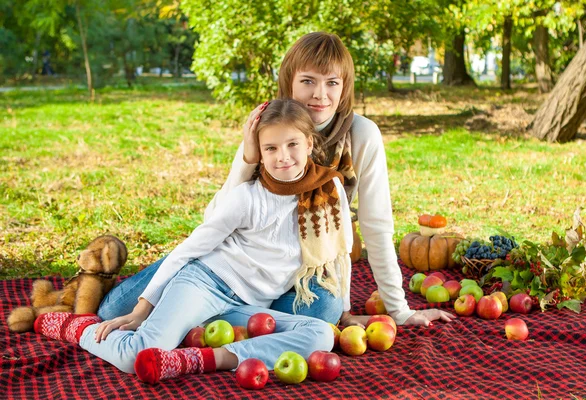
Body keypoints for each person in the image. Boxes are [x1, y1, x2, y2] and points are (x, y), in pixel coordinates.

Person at [97, 31, 454, 328]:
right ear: (289, 83)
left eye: (332, 82)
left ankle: (206, 318)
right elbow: (215, 220)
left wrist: (398, 309)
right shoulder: (269, 127)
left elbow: (377, 226)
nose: (320, 94)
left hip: (304, 269)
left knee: (324, 312)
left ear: (344, 87)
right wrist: (248, 159)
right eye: (308, 81)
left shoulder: (362, 134)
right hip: (236, 262)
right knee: (112, 311)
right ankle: (222, 314)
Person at [33, 99, 359, 384]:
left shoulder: (328, 190)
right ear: (258, 152)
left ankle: (200, 360)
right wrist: (141, 310)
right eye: (270, 148)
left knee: (318, 334)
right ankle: (77, 329)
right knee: (139, 356)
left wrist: (344, 311)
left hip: (248, 307)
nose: (283, 156)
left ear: (309, 143)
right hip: (203, 284)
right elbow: (188, 251)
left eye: (292, 145)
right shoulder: (246, 199)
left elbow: (341, 253)